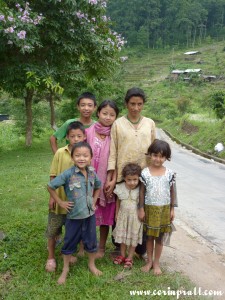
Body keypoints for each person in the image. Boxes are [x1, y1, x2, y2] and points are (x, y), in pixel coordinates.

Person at [105, 87, 156, 257]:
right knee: (122, 210)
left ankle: (139, 248)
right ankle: (120, 246)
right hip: (123, 176)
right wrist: (112, 177)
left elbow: (154, 149)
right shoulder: (118, 124)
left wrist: (154, 173)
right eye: (132, 104)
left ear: (143, 105)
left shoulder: (149, 123)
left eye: (139, 104)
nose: (135, 108)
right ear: (126, 104)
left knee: (140, 209)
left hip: (144, 176)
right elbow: (113, 151)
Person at [47, 142, 102, 284]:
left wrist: (94, 201)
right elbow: (50, 186)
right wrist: (60, 202)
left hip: (89, 216)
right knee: (69, 242)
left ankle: (91, 264)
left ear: (91, 157)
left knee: (91, 241)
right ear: (72, 157)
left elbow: (98, 186)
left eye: (85, 155)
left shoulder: (92, 172)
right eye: (77, 155)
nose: (81, 158)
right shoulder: (68, 174)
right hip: (73, 217)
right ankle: (65, 269)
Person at [45, 121, 86, 273]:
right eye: (72, 136)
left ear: (84, 136)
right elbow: (53, 175)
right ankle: (50, 257)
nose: (76, 139)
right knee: (53, 228)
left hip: (75, 202)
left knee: (72, 229)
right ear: (67, 137)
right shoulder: (60, 153)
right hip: (59, 198)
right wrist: (53, 198)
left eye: (79, 136)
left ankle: (66, 252)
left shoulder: (85, 154)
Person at [138, 139, 177, 275]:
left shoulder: (169, 173)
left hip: (164, 210)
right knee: (149, 237)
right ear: (150, 155)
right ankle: (149, 261)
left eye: (161, 156)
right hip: (149, 209)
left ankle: (156, 263)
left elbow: (172, 192)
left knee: (159, 238)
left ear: (166, 157)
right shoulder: (145, 173)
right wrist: (141, 208)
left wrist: (172, 209)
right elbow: (142, 192)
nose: (158, 159)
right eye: (155, 155)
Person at [86, 100, 119, 258]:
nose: (107, 117)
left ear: (116, 117)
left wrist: (112, 179)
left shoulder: (116, 134)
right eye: (104, 113)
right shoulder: (88, 132)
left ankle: (101, 248)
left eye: (112, 115)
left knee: (105, 216)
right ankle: (84, 245)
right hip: (89, 181)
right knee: (86, 214)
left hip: (107, 180)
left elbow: (118, 159)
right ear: (98, 113)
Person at [113, 163, 143, 269]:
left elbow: (142, 204)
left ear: (139, 178)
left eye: (135, 179)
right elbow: (118, 201)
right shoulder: (120, 187)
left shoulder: (140, 189)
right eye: (129, 180)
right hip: (123, 216)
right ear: (124, 178)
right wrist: (116, 213)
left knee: (133, 237)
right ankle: (122, 255)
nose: (132, 182)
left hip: (135, 218)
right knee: (123, 237)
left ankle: (130, 257)